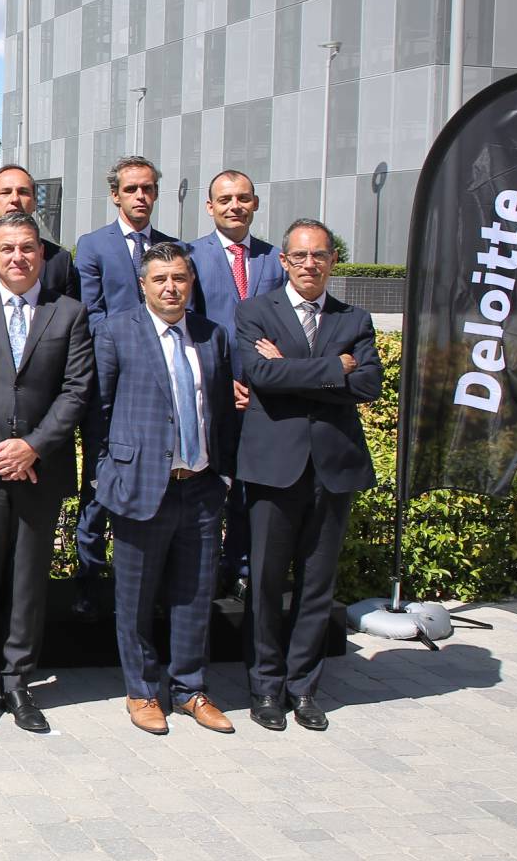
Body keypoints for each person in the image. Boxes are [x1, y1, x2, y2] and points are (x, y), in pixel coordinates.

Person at [0, 212, 93, 735]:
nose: (18, 257)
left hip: (38, 470)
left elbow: (76, 391)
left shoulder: (68, 313)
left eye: (28, 248)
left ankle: (18, 682)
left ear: (43, 255)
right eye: (7, 249)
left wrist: (32, 447)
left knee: (28, 581)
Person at [235, 220, 382, 733]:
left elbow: (368, 385)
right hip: (274, 468)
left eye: (319, 255)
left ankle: (303, 688)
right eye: (300, 256)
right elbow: (260, 376)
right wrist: (332, 368)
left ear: (333, 260)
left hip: (333, 470)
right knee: (266, 583)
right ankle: (266, 687)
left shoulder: (354, 318)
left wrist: (294, 371)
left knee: (317, 587)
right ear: (283, 261)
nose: (309, 264)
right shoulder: (255, 312)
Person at [91, 241, 238, 737]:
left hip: (199, 487)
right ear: (143, 284)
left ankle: (190, 688)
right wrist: (104, 474)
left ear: (191, 282)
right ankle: (142, 690)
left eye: (178, 278)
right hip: (139, 487)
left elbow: (219, 411)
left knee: (194, 595)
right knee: (134, 598)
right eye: (160, 279)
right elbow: (99, 413)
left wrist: (222, 475)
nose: (170, 287)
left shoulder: (212, 336)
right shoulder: (115, 333)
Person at [71, 155, 176, 618]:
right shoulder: (93, 246)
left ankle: (150, 585)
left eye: (148, 189)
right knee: (99, 480)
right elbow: (90, 313)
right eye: (132, 189)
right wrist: (135, 339)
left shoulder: (173, 249)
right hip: (108, 383)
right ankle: (90, 581)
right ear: (115, 194)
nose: (140, 196)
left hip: (159, 388)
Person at [186, 170, 286, 589]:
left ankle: (241, 569)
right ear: (210, 207)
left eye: (242, 198)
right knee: (208, 487)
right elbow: (185, 324)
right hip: (210, 393)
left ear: (255, 203)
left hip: (263, 395)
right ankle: (201, 573)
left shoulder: (275, 258)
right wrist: (220, 380)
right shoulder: (190, 256)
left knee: (250, 487)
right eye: (224, 199)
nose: (234, 206)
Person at [0, 164, 78, 301]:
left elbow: (70, 315)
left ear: (34, 202)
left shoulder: (60, 260)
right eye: (5, 192)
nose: (14, 199)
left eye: (23, 192)